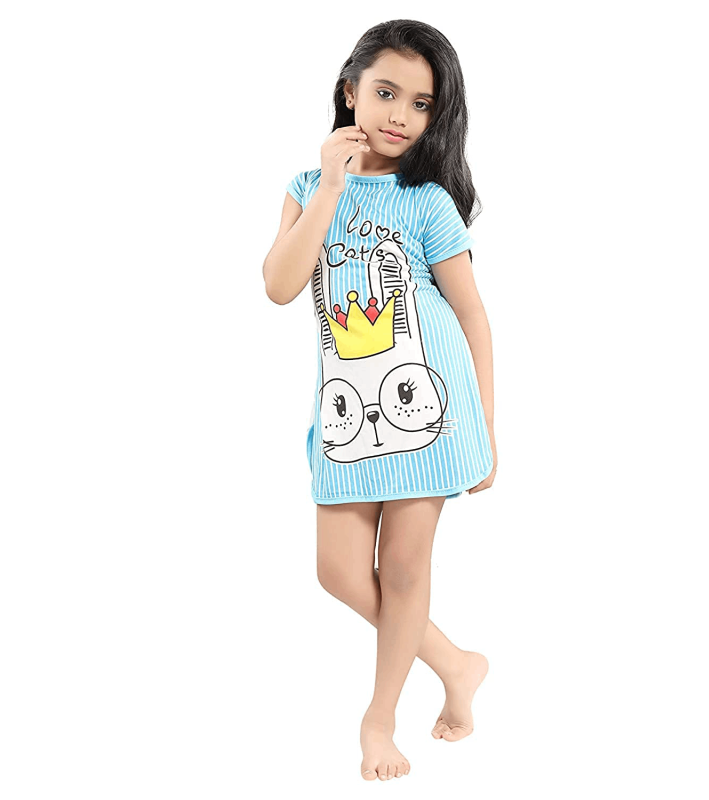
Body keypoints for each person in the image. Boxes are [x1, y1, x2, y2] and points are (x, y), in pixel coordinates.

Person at [262, 19, 497, 782]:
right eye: (387, 93)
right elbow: (279, 286)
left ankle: (378, 721)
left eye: (422, 104)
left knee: (401, 568)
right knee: (337, 570)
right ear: (349, 91)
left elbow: (471, 316)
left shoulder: (427, 201)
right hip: (346, 415)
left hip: (430, 412)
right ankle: (454, 663)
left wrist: (488, 429)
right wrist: (332, 187)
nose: (401, 116)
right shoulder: (307, 189)